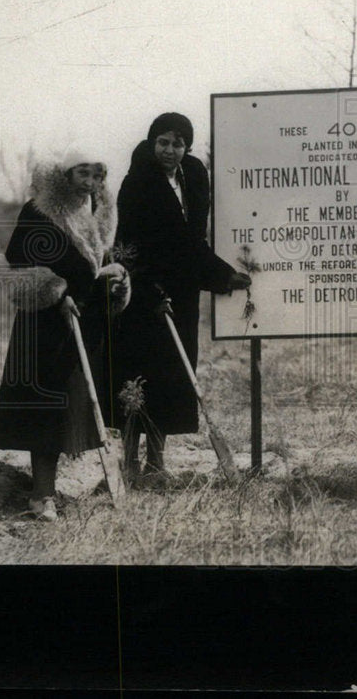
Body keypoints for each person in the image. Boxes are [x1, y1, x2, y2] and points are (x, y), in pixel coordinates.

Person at [0, 148, 131, 521]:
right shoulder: (39, 211)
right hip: (46, 326)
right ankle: (41, 496)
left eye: (97, 174)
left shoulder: (98, 214)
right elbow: (17, 266)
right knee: (45, 411)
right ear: (65, 176)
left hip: (84, 322)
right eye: (82, 174)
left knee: (75, 410)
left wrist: (115, 285)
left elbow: (97, 267)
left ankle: (63, 487)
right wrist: (55, 293)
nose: (90, 182)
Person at [111, 113, 250, 480]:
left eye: (177, 143)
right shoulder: (136, 182)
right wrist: (147, 287)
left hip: (181, 295)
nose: (169, 151)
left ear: (186, 146)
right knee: (137, 376)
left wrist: (223, 275)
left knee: (172, 377)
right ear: (152, 143)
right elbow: (127, 245)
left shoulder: (191, 180)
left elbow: (191, 246)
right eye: (163, 142)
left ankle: (157, 462)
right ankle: (129, 462)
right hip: (142, 296)